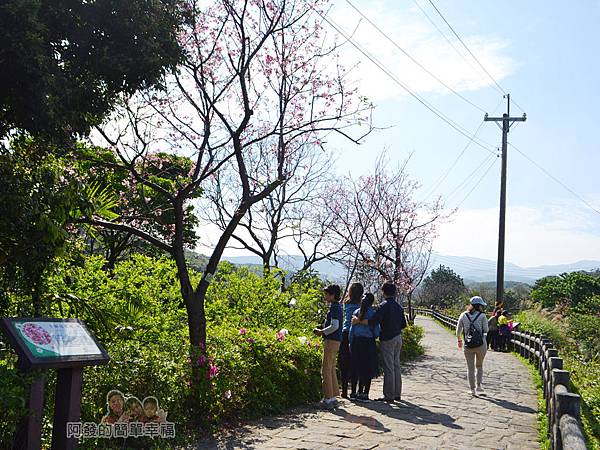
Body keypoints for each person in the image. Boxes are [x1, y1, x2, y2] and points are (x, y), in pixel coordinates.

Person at [352, 281, 407, 403]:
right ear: (394, 292)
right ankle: (397, 393)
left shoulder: (384, 305)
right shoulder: (399, 307)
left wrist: (358, 321)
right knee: (396, 365)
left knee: (388, 367)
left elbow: (373, 322)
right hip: (398, 338)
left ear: (383, 291)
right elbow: (404, 324)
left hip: (387, 338)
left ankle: (389, 395)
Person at [314, 284, 343, 407]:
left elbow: (334, 325)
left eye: (326, 294)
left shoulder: (334, 308)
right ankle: (333, 395)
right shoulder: (338, 307)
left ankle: (328, 398)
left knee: (325, 369)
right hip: (337, 341)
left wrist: (322, 332)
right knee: (331, 368)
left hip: (331, 340)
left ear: (332, 295)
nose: (325, 296)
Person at [349, 293, 380, 402]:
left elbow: (351, 331)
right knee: (367, 368)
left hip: (357, 342)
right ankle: (364, 393)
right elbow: (376, 332)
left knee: (356, 367)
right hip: (368, 343)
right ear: (372, 302)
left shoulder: (356, 312)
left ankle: (353, 392)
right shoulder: (373, 314)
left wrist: (350, 343)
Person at [456, 296, 489, 396]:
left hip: (468, 344)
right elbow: (486, 330)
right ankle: (479, 386)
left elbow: (458, 331)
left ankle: (472, 389)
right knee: (479, 366)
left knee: (470, 368)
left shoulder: (463, 315)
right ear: (479, 306)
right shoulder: (482, 316)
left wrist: (459, 340)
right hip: (481, 344)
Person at [339, 282, 363, 399]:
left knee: (344, 363)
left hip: (345, 333)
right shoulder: (362, 305)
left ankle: (344, 390)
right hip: (357, 334)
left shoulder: (346, 303)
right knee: (355, 362)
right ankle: (354, 390)